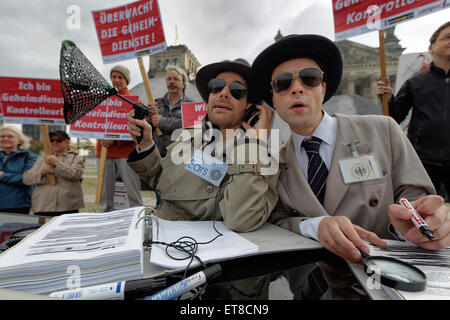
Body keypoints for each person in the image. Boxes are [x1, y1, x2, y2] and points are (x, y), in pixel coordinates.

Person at [251, 34, 450, 265]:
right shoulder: (272, 161)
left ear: (323, 89)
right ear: (273, 100)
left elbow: (414, 197)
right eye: (283, 83)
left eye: (310, 78)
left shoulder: (383, 129)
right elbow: (275, 219)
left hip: (383, 273)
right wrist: (314, 226)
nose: (297, 88)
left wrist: (419, 222)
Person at [127, 58, 277, 299]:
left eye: (236, 91)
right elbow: (161, 181)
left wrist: (253, 145)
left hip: (221, 281)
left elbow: (241, 218)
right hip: (160, 257)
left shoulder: (262, 154)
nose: (224, 94)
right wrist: (146, 145)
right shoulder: (189, 135)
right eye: (217, 87)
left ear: (251, 107)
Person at [376, 21, 450, 201]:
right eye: (447, 37)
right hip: (422, 161)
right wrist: (387, 99)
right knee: (422, 211)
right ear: (431, 47)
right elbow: (394, 117)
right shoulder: (416, 83)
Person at [96, 65, 144, 212]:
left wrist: (115, 140)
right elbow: (94, 122)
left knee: (133, 196)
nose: (116, 80)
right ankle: (106, 224)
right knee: (105, 197)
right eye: (114, 77)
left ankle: (137, 221)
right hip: (104, 151)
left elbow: (139, 129)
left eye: (120, 77)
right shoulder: (102, 99)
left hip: (126, 153)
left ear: (126, 81)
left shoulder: (135, 102)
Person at [23, 130, 84, 216]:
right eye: (52, 140)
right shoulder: (42, 159)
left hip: (67, 206)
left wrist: (57, 164)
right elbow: (27, 179)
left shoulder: (76, 158)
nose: (54, 142)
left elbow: (75, 175)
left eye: (59, 140)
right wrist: (42, 172)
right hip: (43, 206)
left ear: (67, 142)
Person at [147, 64, 193, 157]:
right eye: (169, 79)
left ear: (184, 84)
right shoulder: (156, 103)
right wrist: (148, 116)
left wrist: (163, 122)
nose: (172, 81)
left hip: (180, 157)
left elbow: (191, 127)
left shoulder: (190, 105)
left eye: (176, 79)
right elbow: (147, 128)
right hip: (158, 156)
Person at [0, 126, 36, 214]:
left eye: (10, 136)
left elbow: (27, 179)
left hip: (18, 206)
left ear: (20, 140)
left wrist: (3, 176)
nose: (5, 139)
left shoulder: (29, 157)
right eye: (2, 136)